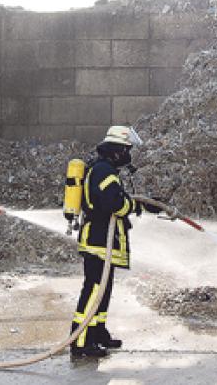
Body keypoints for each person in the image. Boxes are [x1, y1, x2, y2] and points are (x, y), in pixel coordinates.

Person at [70, 125, 162, 357]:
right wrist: (134, 205)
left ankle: (97, 333)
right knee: (94, 290)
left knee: (103, 289)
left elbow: (116, 199)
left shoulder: (105, 169)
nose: (129, 155)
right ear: (118, 151)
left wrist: (143, 204)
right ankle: (80, 340)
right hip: (99, 241)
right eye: (127, 150)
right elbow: (115, 204)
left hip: (103, 241)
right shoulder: (103, 171)